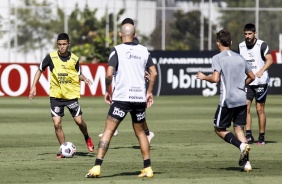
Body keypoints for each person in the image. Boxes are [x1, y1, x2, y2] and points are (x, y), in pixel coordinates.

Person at [86, 22, 157, 178]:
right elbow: (154, 73)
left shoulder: (117, 50)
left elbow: (109, 73)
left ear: (120, 34)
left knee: (109, 131)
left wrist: (106, 89)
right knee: (141, 134)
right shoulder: (144, 51)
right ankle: (148, 168)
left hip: (121, 98)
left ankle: (97, 166)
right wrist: (149, 92)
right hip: (139, 98)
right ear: (135, 34)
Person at [196, 30, 255, 172]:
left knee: (219, 128)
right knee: (239, 129)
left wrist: (204, 77)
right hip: (242, 99)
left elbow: (215, 79)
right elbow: (252, 76)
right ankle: (246, 164)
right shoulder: (240, 58)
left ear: (218, 43)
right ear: (231, 43)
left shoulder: (217, 58)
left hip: (228, 100)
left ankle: (241, 146)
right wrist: (242, 84)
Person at [29, 33, 95, 158]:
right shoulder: (51, 57)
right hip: (56, 96)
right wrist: (33, 87)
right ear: (57, 44)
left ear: (69, 44)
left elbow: (78, 74)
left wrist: (84, 78)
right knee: (56, 124)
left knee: (79, 121)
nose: (62, 47)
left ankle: (87, 137)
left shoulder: (74, 59)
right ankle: (64, 150)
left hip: (71, 95)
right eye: (59, 44)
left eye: (64, 44)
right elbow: (39, 70)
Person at [98, 18, 155, 144]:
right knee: (136, 113)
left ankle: (116, 130)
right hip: (131, 85)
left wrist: (144, 71)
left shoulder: (134, 44)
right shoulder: (122, 46)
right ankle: (146, 134)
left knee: (131, 111)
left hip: (130, 84)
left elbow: (138, 61)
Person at [238, 23, 273, 145]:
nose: (247, 36)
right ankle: (249, 135)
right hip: (248, 81)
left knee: (259, 109)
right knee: (246, 107)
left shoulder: (261, 45)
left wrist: (262, 71)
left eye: (250, 34)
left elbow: (270, 59)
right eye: (245, 34)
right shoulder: (241, 46)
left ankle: (261, 137)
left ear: (255, 33)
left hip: (260, 82)